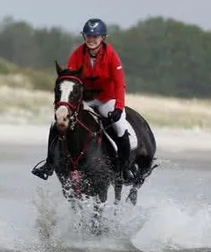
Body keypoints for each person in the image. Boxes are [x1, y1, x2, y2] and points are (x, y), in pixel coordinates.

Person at [31, 17, 138, 181]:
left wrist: (118, 107)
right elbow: (70, 80)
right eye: (88, 36)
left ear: (103, 38)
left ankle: (125, 170)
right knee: (56, 124)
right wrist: (66, 104)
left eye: (95, 36)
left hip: (106, 99)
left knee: (120, 127)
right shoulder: (77, 54)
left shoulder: (111, 56)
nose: (91, 39)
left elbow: (120, 84)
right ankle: (49, 164)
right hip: (85, 99)